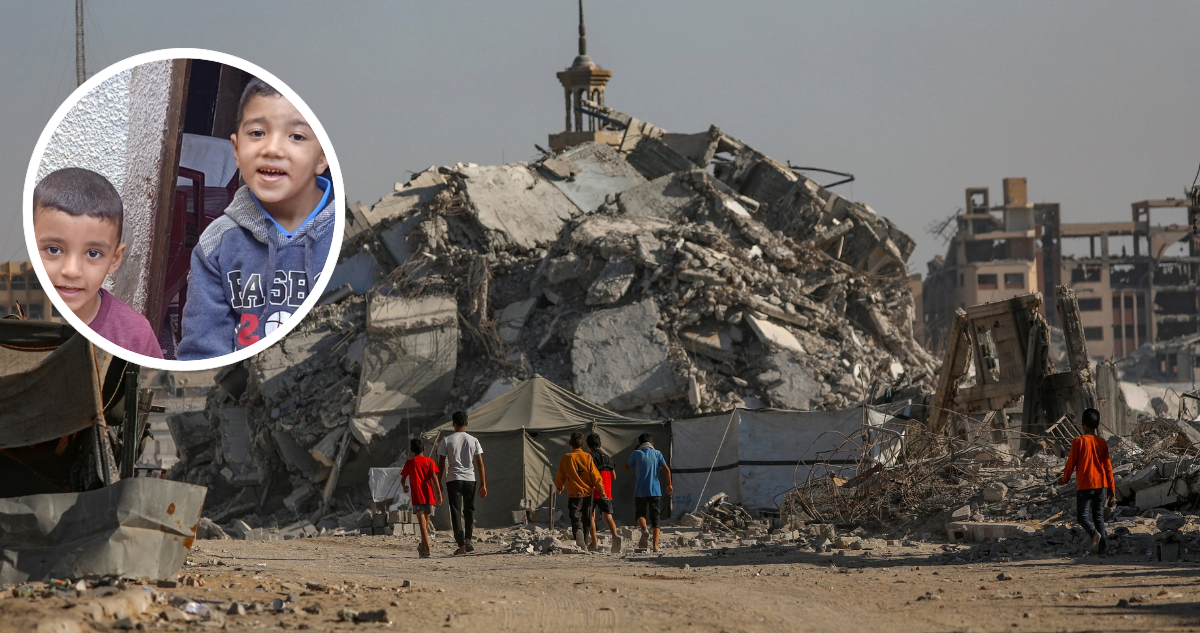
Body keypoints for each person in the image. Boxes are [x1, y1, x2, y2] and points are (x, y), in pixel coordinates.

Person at [178, 77, 334, 360]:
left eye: (296, 136)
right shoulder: (217, 243)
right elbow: (202, 350)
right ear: (236, 151)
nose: (272, 149)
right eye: (257, 133)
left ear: (323, 157)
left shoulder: (348, 236)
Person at [33, 167, 163, 358]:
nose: (72, 271)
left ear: (114, 259)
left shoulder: (134, 335)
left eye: (93, 253)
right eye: (54, 249)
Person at [1059, 408, 1116, 556]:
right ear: (1097, 425)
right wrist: (1111, 489)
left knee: (1082, 517)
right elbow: (1108, 467)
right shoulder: (1102, 442)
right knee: (1098, 517)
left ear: (1083, 425)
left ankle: (1093, 534)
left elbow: (1071, 464)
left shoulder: (1078, 441)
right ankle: (1102, 550)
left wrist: (1064, 480)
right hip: (1101, 485)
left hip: (1085, 484)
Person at [436, 411, 487, 555]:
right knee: (469, 511)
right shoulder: (473, 440)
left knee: (456, 512)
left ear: (453, 424)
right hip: (470, 479)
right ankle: (468, 540)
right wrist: (483, 484)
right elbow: (480, 464)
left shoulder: (446, 440)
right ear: (467, 423)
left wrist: (438, 482)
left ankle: (461, 545)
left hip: (453, 479)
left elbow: (440, 465)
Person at [556, 431, 608, 550]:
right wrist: (601, 489)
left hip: (574, 493)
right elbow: (595, 475)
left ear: (570, 444)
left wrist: (560, 486)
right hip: (588, 494)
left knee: (575, 516)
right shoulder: (588, 457)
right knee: (587, 518)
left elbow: (561, 475)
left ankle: (578, 532)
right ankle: (584, 542)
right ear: (582, 445)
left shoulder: (566, 458)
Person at [625, 432, 672, 552]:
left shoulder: (636, 453)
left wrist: (634, 452)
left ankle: (644, 530)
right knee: (656, 517)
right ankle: (655, 546)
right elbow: (666, 469)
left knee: (640, 514)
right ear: (652, 444)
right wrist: (669, 484)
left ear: (640, 444)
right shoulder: (657, 453)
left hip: (640, 491)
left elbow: (626, 467)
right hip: (655, 491)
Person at [401, 437, 441, 558]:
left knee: (422, 523)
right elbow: (434, 478)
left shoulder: (410, 462)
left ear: (412, 450)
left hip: (417, 496)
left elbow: (402, 479)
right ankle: (422, 546)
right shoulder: (430, 462)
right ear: (424, 449)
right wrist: (439, 493)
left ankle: (427, 548)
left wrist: (404, 486)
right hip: (429, 496)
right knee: (426, 522)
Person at [586, 433, 620, 553]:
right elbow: (614, 476)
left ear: (588, 446)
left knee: (591, 517)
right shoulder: (608, 458)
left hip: (592, 491)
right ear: (600, 444)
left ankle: (594, 543)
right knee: (608, 516)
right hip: (606, 492)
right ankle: (615, 536)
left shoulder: (589, 457)